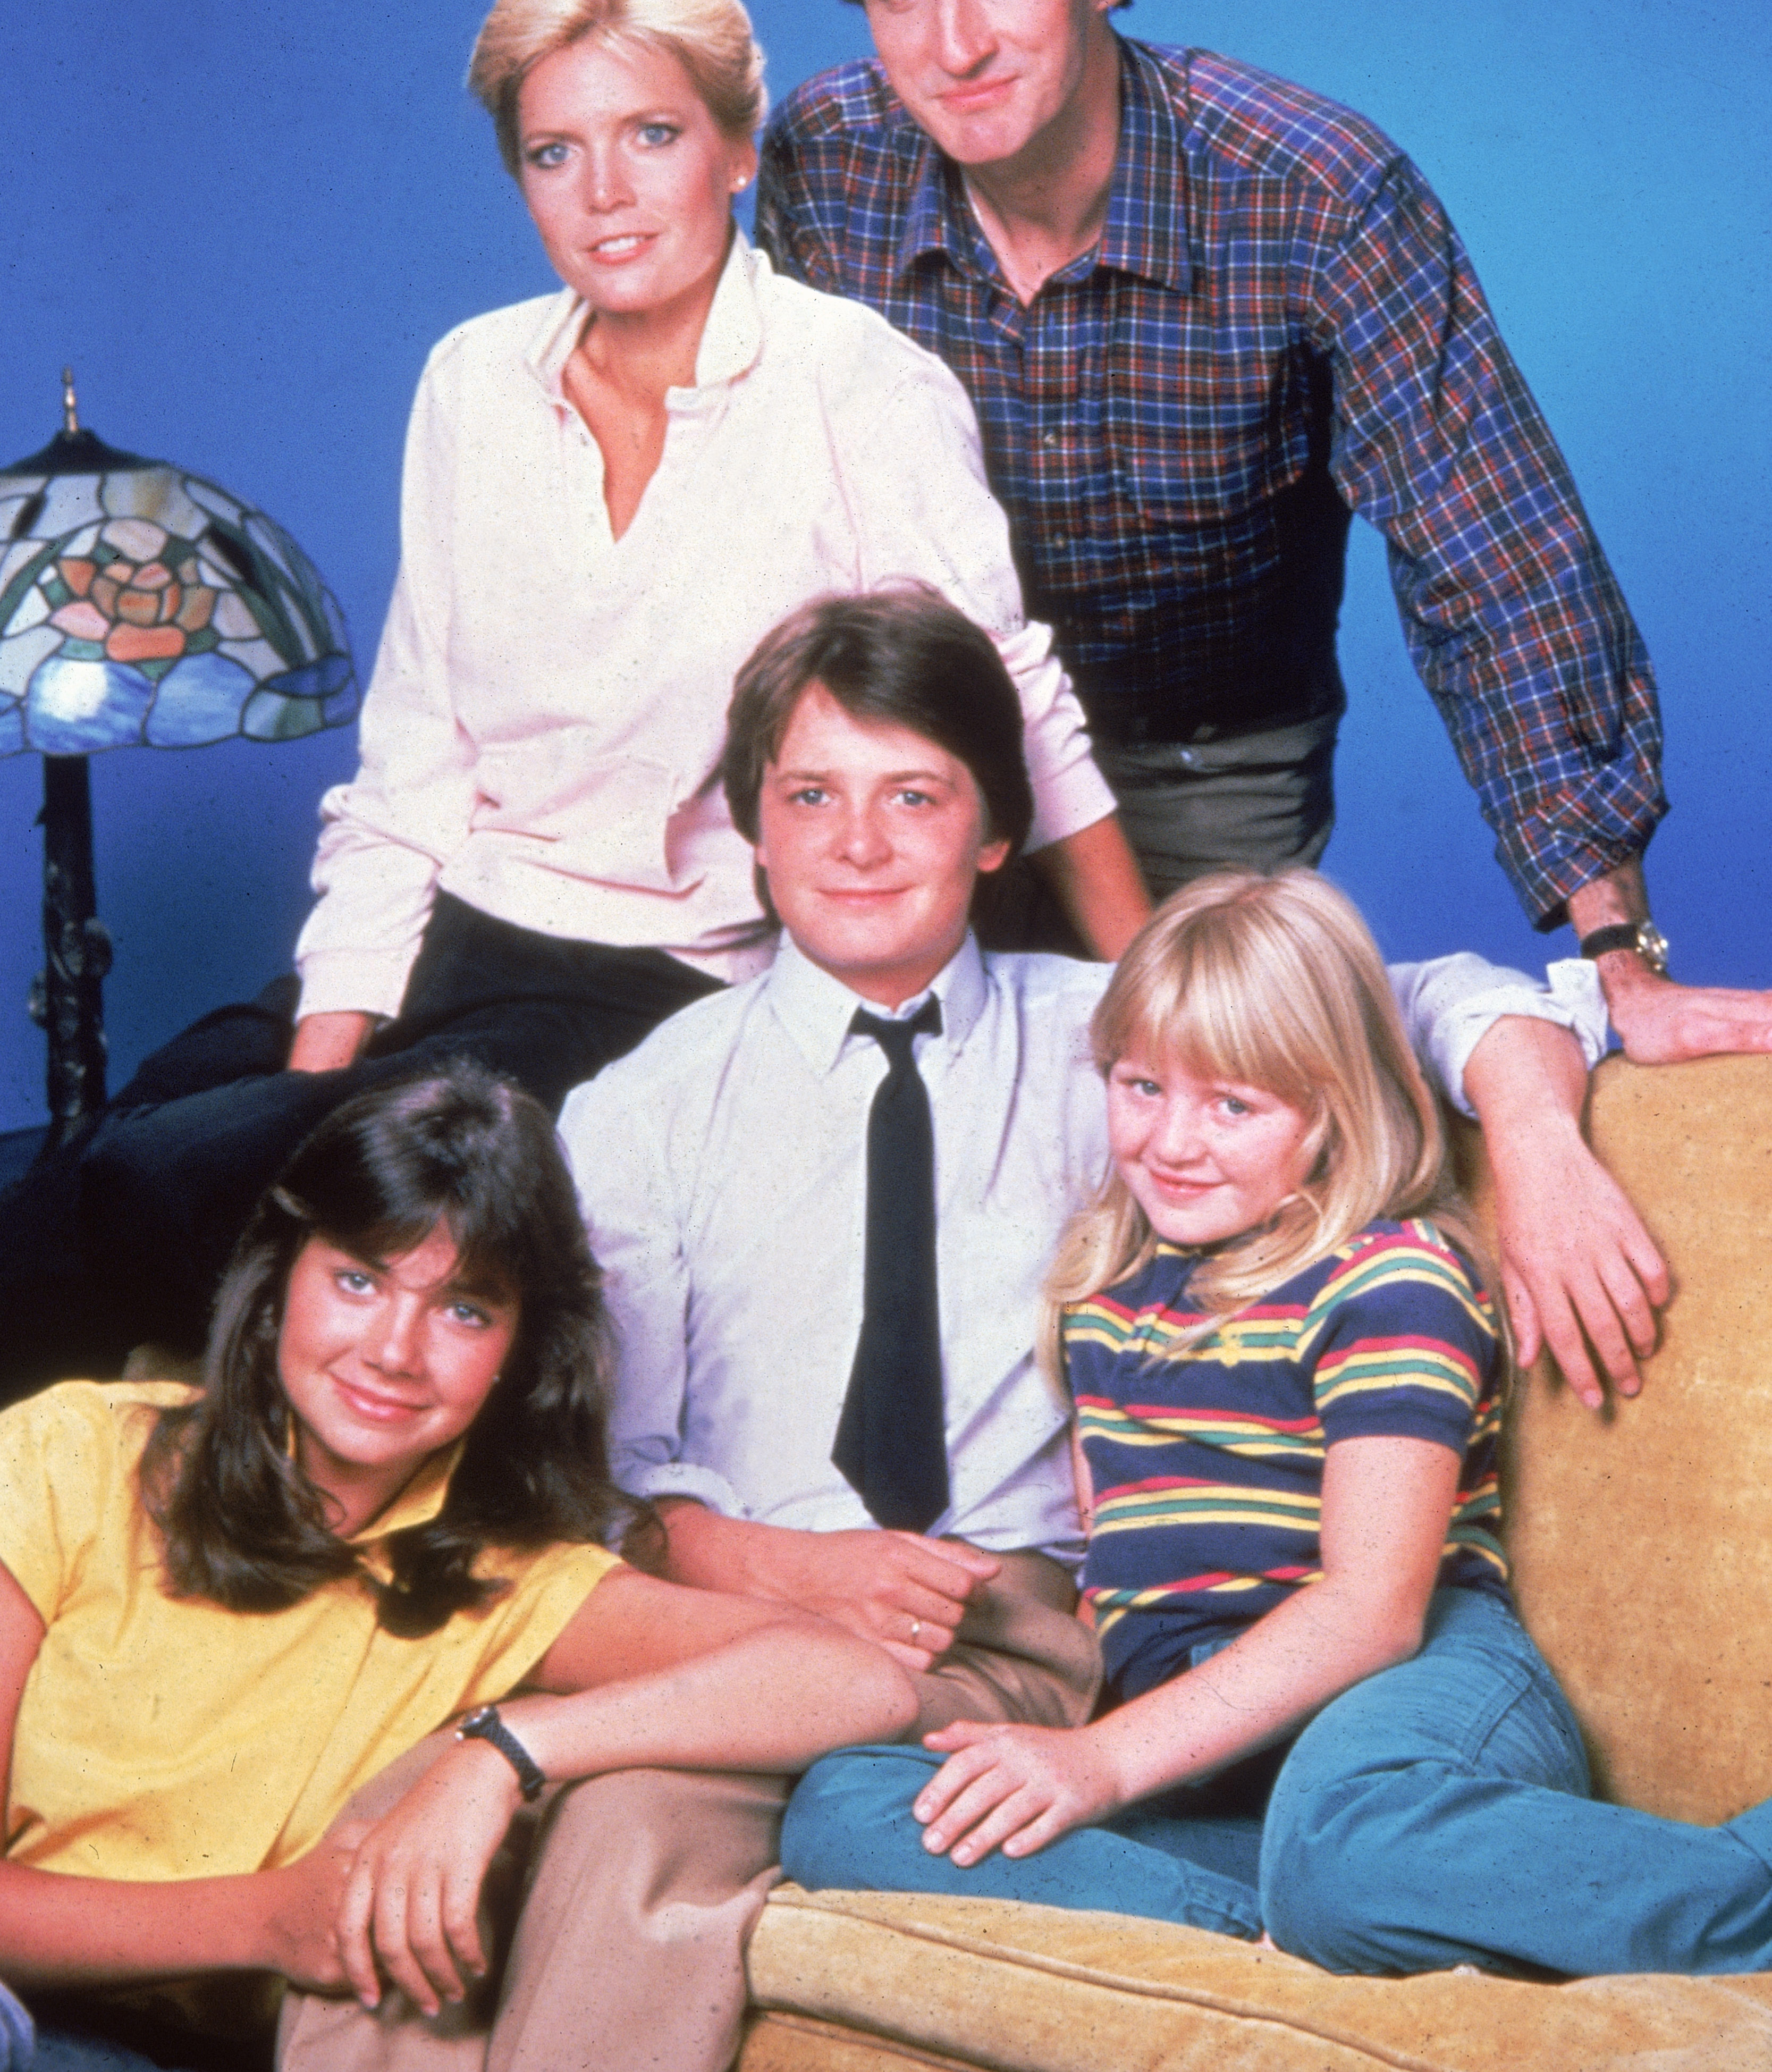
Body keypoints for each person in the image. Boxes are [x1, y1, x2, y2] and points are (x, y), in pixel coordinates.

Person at [1, 0, 1147, 1398]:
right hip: (452, 935)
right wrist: (321, 1071)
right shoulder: (473, 382)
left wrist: (1162, 1011)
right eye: (554, 153)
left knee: (163, 1187)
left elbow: (1011, 704)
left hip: (663, 977)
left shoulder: (854, 387)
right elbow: (414, 763)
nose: (604, 196)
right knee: (86, 1162)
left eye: (651, 136)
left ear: (738, 152)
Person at [560, 591, 1619, 2068]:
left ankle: (1346, 1895)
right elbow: (611, 1477)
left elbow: (1396, 999)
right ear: (752, 825)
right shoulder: (637, 1113)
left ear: (996, 830)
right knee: (721, 1811)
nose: (857, 844)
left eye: (912, 796)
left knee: (634, 1829)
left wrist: (1537, 1134)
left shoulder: (1123, 1043)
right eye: (810, 795)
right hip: (759, 1611)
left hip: (1035, 1634)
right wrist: (795, 1569)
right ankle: (1325, 1911)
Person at [755, 0, 1772, 1090]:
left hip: (1199, 757)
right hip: (925, 754)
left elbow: (1498, 567)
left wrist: (1619, 954)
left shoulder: (1314, 196)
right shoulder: (826, 162)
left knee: (1212, 1112)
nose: (953, 46)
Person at [778, 870, 1772, 1979]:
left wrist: (1100, 1762)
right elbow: (1119, 1581)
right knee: (842, 1804)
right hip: (1212, 1751)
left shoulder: (1388, 1275)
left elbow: (1371, 1608)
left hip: (1403, 1692)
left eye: (1232, 1105)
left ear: (1333, 1111)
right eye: (1140, 1084)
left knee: (1347, 1836)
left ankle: (1739, 1884)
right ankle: (1262, 1930)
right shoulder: (1102, 1296)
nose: (1171, 1140)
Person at [0, 1065, 913, 2072]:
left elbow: (854, 1679)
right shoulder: (70, 1456)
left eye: (465, 1310)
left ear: (523, 1352)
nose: (395, 1349)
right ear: (279, 1280)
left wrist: (505, 1750)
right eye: (358, 1278)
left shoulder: (511, 1581)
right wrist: (266, 1920)